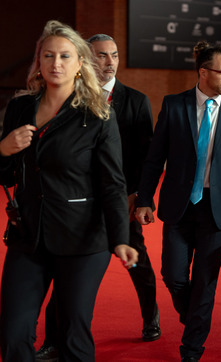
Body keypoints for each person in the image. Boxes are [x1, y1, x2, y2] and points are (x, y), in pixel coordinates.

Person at [0, 20, 138, 361]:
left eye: (65, 56)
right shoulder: (20, 108)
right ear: (39, 62)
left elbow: (112, 183)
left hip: (82, 239)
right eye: (48, 55)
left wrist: (121, 237)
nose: (56, 63)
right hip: (28, 235)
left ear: (80, 64)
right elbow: (6, 176)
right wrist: (3, 149)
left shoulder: (97, 114)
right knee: (13, 332)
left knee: (73, 332)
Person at [134, 41, 221, 362]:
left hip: (217, 211)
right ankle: (195, 318)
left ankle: (191, 350)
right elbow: (154, 157)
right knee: (173, 275)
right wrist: (144, 199)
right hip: (178, 206)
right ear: (203, 73)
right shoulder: (174, 105)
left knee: (205, 283)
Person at [35, 34, 160, 362]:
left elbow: (146, 156)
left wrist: (137, 196)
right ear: (86, 61)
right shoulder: (69, 101)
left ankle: (151, 318)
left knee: (137, 262)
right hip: (73, 205)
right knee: (65, 277)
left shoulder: (136, 100)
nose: (110, 62)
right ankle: (52, 341)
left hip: (121, 201)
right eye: (102, 56)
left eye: (114, 55)